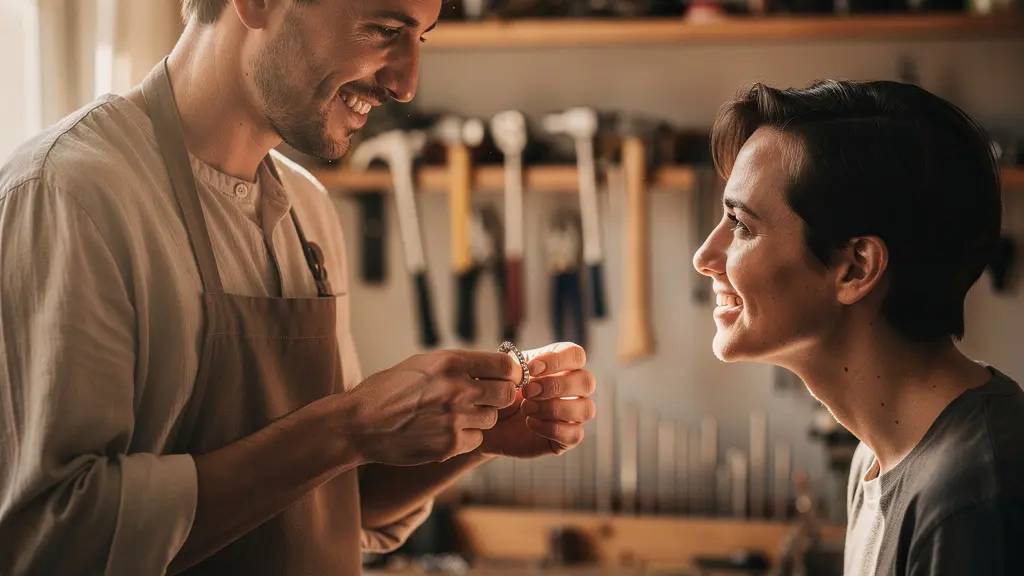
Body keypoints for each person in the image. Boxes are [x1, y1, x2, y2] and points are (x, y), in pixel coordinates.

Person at [0, 1, 597, 574]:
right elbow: (51, 542)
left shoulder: (306, 206)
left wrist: (479, 432)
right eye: (384, 29)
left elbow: (330, 502)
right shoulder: (70, 194)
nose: (407, 83)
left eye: (422, 37)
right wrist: (350, 426)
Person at [693, 78, 1024, 575]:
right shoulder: (874, 457)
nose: (705, 257)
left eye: (741, 225)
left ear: (856, 268)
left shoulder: (971, 496)